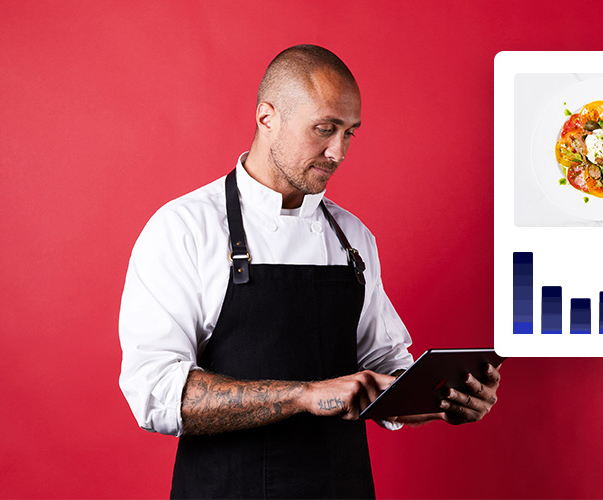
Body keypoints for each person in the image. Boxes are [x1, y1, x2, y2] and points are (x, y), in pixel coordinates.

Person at [119, 44, 501, 499]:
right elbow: (157, 394)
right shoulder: (185, 228)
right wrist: (303, 395)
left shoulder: (353, 238)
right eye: (324, 129)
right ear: (266, 118)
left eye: (349, 133)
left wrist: (439, 397)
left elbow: (384, 366)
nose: (337, 152)